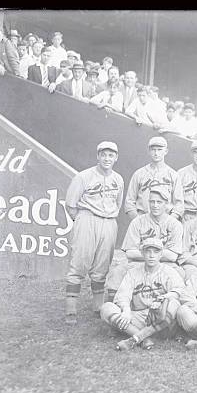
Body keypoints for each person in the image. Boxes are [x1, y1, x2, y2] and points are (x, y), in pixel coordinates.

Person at [101, 237, 197, 351]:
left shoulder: (169, 271)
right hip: (140, 318)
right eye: (148, 251)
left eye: (156, 252)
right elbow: (122, 296)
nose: (152, 255)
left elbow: (180, 291)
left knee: (173, 303)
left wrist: (163, 298)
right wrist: (126, 310)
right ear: (142, 253)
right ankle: (144, 338)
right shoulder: (133, 272)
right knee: (106, 308)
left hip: (163, 320)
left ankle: (136, 338)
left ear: (161, 254)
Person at [64, 141, 124, 324]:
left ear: (116, 158)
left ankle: (98, 306)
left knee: (102, 265)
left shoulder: (118, 179)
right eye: (103, 154)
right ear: (97, 156)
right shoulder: (83, 176)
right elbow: (70, 204)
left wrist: (107, 219)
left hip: (109, 221)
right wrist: (82, 221)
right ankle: (71, 309)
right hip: (87, 218)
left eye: (111, 155)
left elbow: (118, 204)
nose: (107, 158)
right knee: (79, 262)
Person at [105, 187, 184, 302]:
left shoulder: (175, 224)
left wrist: (148, 254)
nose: (155, 205)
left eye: (159, 202)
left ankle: (171, 308)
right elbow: (130, 253)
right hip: (139, 263)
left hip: (165, 264)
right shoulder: (138, 221)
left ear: (167, 204)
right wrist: (151, 255)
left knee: (180, 273)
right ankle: (114, 307)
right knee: (117, 271)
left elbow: (172, 256)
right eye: (152, 201)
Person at [125, 136, 184, 221]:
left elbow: (179, 205)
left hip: (165, 220)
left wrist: (169, 222)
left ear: (166, 151)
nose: (156, 153)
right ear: (149, 151)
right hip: (143, 219)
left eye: (159, 150)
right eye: (153, 149)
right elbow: (129, 203)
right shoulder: (139, 174)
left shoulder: (173, 175)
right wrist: (138, 221)